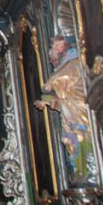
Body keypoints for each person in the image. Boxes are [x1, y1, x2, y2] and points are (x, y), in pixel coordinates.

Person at [33, 34, 92, 180]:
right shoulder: (66, 65)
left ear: (66, 45)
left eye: (56, 45)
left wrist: (48, 95)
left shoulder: (73, 64)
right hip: (70, 110)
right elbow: (60, 94)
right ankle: (82, 170)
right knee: (70, 141)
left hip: (79, 109)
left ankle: (89, 169)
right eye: (53, 46)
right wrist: (47, 101)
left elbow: (56, 86)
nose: (53, 49)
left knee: (80, 137)